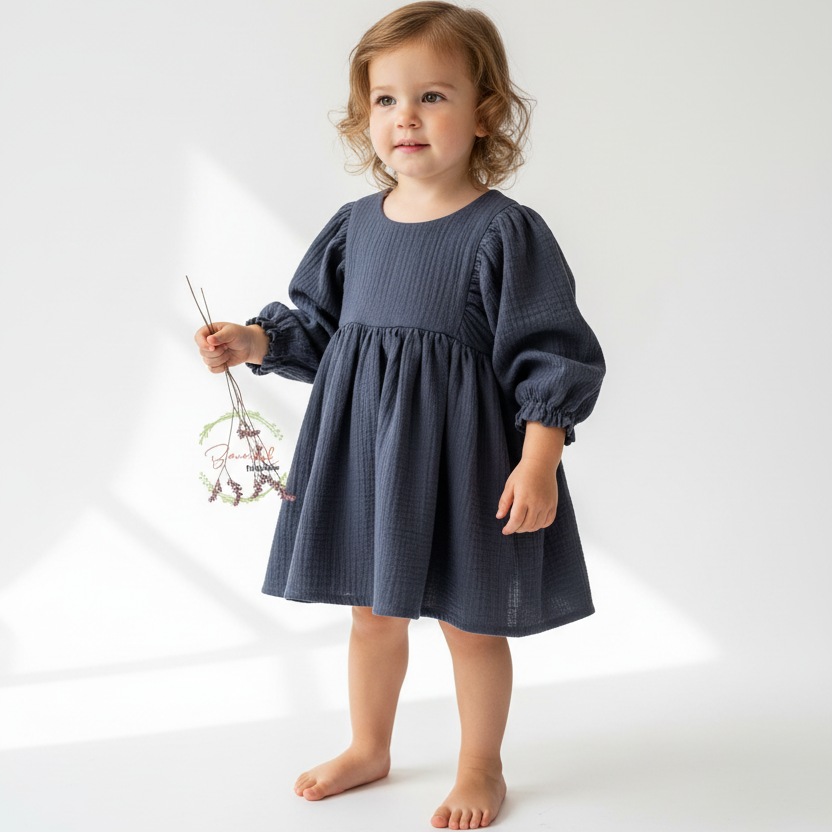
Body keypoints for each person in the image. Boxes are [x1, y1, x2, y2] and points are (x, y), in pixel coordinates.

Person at [194, 2, 606, 828]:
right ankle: (368, 746)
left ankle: (480, 765)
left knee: (470, 623)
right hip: (365, 456)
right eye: (385, 99)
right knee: (370, 614)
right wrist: (252, 340)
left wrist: (538, 462)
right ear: (365, 116)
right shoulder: (354, 228)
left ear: (485, 112)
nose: (405, 117)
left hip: (464, 465)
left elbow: (550, 356)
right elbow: (319, 331)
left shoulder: (505, 233)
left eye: (432, 97)